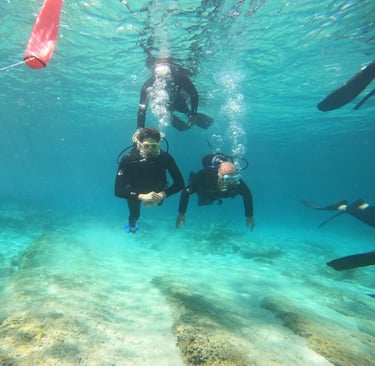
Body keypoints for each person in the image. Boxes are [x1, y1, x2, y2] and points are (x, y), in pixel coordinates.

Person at [115, 127, 184, 233]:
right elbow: (118, 190)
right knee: (135, 215)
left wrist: (162, 194)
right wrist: (142, 196)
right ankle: (132, 226)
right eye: (146, 146)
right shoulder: (129, 159)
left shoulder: (165, 157)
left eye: (154, 146)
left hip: (157, 190)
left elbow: (180, 183)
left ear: (158, 145)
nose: (150, 150)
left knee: (159, 202)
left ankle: (155, 199)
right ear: (140, 145)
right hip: (135, 190)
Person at [176, 153, 255, 230]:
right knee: (203, 195)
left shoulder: (235, 181)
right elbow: (186, 191)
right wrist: (181, 213)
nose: (228, 183)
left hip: (217, 192)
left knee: (232, 189)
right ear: (218, 175)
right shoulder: (204, 177)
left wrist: (249, 215)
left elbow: (247, 194)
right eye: (226, 179)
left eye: (232, 179)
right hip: (208, 190)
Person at [136, 58, 213, 132]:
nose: (164, 81)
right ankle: (173, 116)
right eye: (160, 77)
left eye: (167, 77)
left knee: (181, 106)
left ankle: (186, 114)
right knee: (162, 109)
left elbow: (193, 94)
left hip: (180, 102)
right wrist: (140, 128)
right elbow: (142, 108)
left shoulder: (180, 78)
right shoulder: (148, 85)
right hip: (165, 106)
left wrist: (194, 114)